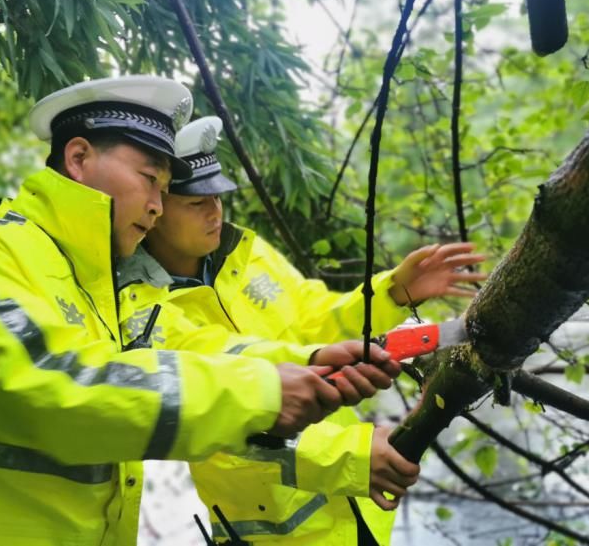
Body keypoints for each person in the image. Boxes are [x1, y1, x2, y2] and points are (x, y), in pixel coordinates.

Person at [0, 77, 398, 546]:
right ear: (78, 158)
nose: (156, 206)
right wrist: (264, 394)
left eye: (167, 191)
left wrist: (307, 358)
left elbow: (195, 350)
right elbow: (53, 388)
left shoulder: (102, 292)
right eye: (149, 180)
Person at [117, 116, 487, 545]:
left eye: (218, 196)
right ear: (156, 208)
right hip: (282, 533)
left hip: (357, 512)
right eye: (196, 202)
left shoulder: (246, 252)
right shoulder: (138, 305)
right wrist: (349, 457)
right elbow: (224, 398)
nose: (215, 212)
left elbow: (318, 317)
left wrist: (393, 292)